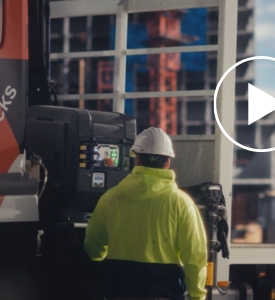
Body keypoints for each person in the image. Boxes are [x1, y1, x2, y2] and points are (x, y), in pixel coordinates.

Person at [84, 127, 208, 300]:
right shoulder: (181, 203)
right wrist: (197, 296)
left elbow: (93, 248)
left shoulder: (110, 198)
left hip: (119, 292)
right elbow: (195, 257)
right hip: (163, 293)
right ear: (167, 162)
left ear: (138, 160)